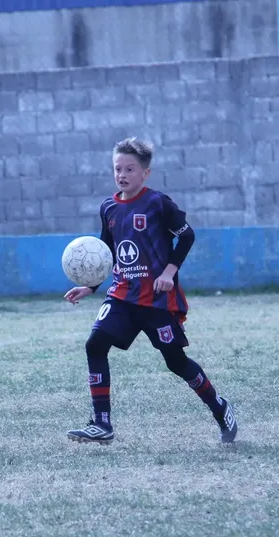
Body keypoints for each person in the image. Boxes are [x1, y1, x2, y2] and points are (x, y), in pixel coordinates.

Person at [64, 137, 238, 444]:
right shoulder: (108, 208)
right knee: (95, 345)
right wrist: (90, 286)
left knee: (176, 362)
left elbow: (186, 237)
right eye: (118, 168)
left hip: (156, 299)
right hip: (122, 294)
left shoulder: (158, 203)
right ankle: (102, 423)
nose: (122, 174)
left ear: (145, 173)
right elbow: (106, 251)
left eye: (130, 168)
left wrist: (169, 273)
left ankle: (219, 407)